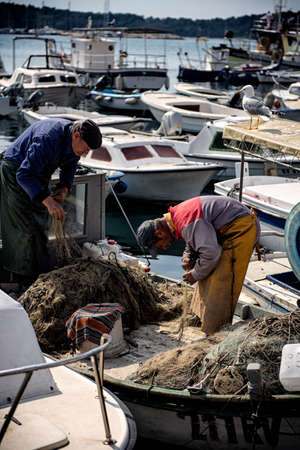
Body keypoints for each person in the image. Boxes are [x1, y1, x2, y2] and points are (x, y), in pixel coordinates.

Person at [136, 196, 260, 335]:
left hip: (240, 227)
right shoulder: (177, 218)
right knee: (206, 271)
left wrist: (195, 274)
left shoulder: (185, 221)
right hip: (228, 227)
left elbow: (211, 253)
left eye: (159, 246)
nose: (164, 248)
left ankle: (214, 332)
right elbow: (196, 236)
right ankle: (200, 317)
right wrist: (188, 256)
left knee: (222, 280)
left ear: (159, 233)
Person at [0, 118, 102, 287]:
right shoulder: (48, 138)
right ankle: (22, 280)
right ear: (76, 135)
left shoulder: (73, 144)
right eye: (86, 148)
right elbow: (23, 174)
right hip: (14, 171)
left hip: (37, 175)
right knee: (23, 229)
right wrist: (50, 202)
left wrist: (64, 188)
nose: (85, 153)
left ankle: (38, 274)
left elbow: (70, 165)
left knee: (41, 225)